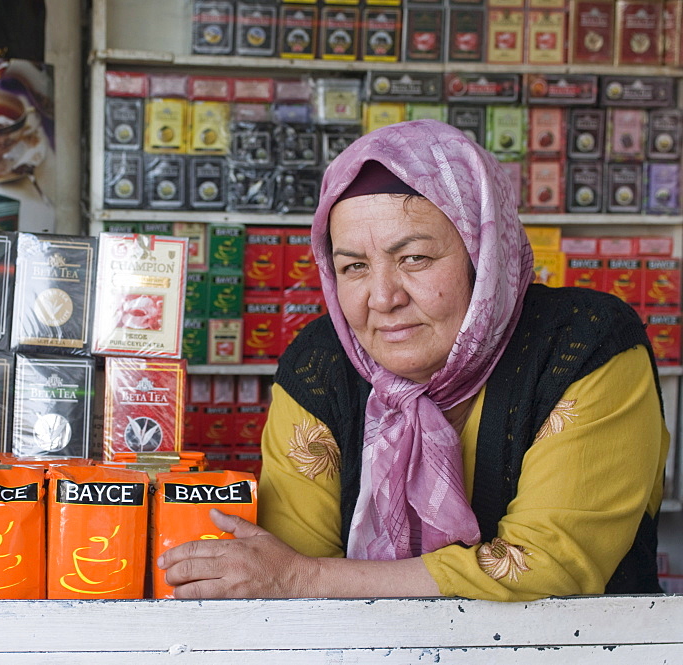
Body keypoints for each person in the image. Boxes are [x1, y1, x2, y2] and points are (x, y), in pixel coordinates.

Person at [159, 119, 669, 601]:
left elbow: (548, 564)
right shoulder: (322, 362)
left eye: (415, 259)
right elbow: (292, 559)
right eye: (354, 266)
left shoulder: (583, 344)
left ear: (482, 258)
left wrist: (306, 578)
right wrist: (295, 574)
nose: (382, 297)